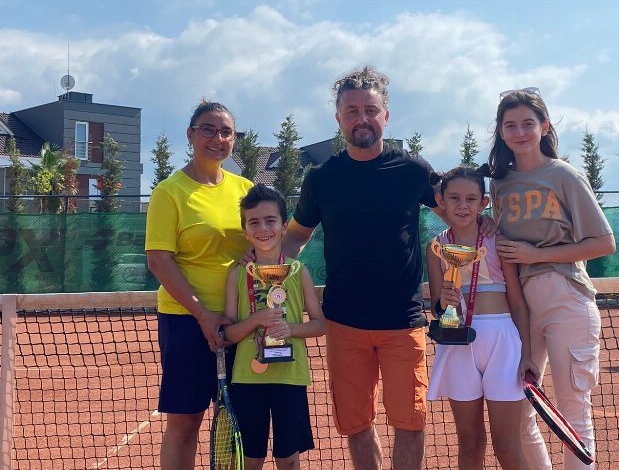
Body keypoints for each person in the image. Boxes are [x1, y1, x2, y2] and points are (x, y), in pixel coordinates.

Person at [280, 66, 493, 470]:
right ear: (339, 119)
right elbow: (295, 238)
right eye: (352, 111)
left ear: (386, 116)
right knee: (357, 426)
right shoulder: (321, 178)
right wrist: (262, 263)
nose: (362, 119)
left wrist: (487, 225)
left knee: (410, 423)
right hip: (343, 323)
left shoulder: (413, 170)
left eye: (370, 110)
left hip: (403, 322)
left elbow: (455, 215)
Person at [487, 88, 616, 470]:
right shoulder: (499, 183)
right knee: (521, 411)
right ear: (501, 131)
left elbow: (604, 242)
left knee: (573, 413)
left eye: (528, 123)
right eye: (510, 125)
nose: (519, 132)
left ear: (544, 127)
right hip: (518, 306)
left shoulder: (564, 175)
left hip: (566, 297)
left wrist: (537, 255)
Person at [145, 100, 253, 470]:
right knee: (185, 422)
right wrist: (203, 314)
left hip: (241, 322)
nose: (217, 138)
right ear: (190, 135)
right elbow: (159, 260)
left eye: (226, 132)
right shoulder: (169, 191)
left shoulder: (246, 189)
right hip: (186, 322)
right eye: (208, 129)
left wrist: (259, 253)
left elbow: (266, 240)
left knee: (240, 420)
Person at [426, 166, 538, 470]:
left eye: (471, 199)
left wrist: (527, 353)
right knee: (470, 443)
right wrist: (444, 303)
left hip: (503, 343)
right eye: (454, 198)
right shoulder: (435, 247)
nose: (462, 206)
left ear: (483, 203)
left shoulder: (497, 241)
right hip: (457, 344)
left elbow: (517, 301)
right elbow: (437, 307)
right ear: (441, 201)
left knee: (507, 446)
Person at [223, 184, 325, 470]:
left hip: (289, 378)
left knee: (288, 459)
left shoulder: (299, 272)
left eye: (271, 220)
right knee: (250, 459)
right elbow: (228, 334)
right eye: (254, 222)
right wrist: (256, 320)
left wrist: (290, 330)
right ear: (245, 231)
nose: (263, 228)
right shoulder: (236, 274)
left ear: (283, 226)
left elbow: (320, 324)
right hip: (247, 378)